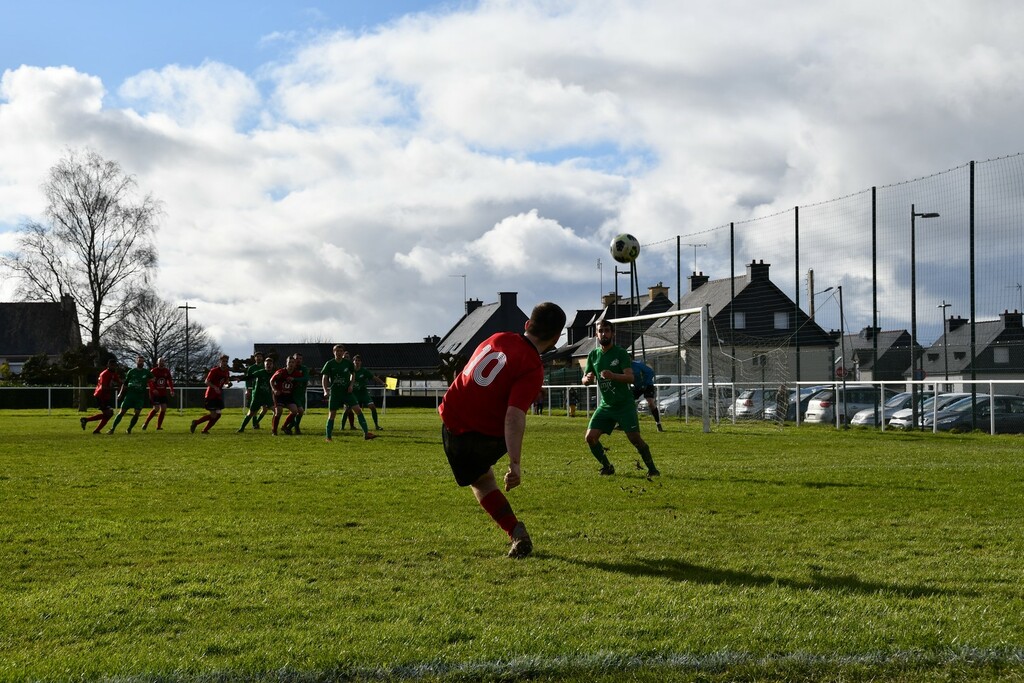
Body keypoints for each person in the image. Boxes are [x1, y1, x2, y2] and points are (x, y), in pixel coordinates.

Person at [439, 301, 566, 559]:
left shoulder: (498, 337)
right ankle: (516, 531)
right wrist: (515, 464)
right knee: (482, 480)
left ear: (527, 324)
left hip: (452, 417)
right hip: (479, 432)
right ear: (555, 339)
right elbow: (514, 416)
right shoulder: (532, 366)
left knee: (482, 480)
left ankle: (516, 531)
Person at [582, 319, 660, 477]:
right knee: (590, 438)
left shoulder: (621, 353)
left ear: (613, 334)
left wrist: (613, 376)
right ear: (596, 334)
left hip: (625, 405)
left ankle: (653, 470)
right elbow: (584, 379)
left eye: (607, 330)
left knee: (635, 439)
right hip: (606, 406)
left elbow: (630, 378)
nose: (604, 333)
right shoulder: (593, 355)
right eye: (600, 331)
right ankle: (607, 467)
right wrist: (587, 379)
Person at [322, 344, 376, 441]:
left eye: (340, 351)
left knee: (358, 410)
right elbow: (324, 377)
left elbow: (353, 374)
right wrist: (325, 390)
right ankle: (328, 437)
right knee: (332, 414)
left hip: (347, 392)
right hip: (335, 393)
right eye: (337, 351)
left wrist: (351, 385)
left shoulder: (348, 363)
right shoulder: (329, 363)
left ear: (343, 352)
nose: (339, 353)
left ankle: (366, 433)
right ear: (333, 352)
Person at [108, 355, 153, 434]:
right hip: (130, 395)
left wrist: (150, 384)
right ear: (136, 361)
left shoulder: (146, 372)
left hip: (139, 397)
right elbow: (125, 384)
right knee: (122, 412)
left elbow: (153, 379)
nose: (141, 363)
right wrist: (120, 394)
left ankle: (129, 429)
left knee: (137, 413)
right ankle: (112, 429)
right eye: (139, 361)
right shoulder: (131, 372)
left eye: (142, 361)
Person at [191, 355, 232, 434]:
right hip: (211, 395)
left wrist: (228, 385)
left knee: (218, 415)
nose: (225, 363)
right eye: (223, 361)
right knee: (213, 415)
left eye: (226, 361)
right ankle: (196, 423)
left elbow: (225, 383)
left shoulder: (227, 372)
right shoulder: (214, 371)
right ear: (220, 361)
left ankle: (204, 430)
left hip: (218, 396)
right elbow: (206, 382)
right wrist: (215, 387)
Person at [343, 354, 384, 431]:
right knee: (347, 409)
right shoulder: (349, 371)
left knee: (372, 407)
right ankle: (343, 427)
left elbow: (374, 377)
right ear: (353, 362)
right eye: (356, 360)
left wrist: (382, 383)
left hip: (363, 394)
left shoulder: (364, 371)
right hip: (354, 394)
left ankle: (376, 425)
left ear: (361, 362)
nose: (357, 362)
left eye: (359, 361)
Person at [80, 358, 121, 434]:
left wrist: (124, 386)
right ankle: (87, 421)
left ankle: (95, 429)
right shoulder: (104, 374)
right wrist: (114, 388)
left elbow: (119, 382)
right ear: (108, 365)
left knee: (109, 414)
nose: (113, 367)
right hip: (100, 396)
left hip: (106, 396)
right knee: (108, 414)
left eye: (115, 365)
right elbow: (103, 388)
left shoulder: (113, 373)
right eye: (112, 365)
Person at [237, 356, 275, 432]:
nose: (269, 365)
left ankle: (274, 428)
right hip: (258, 396)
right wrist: (240, 379)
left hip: (267, 397)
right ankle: (242, 428)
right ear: (264, 365)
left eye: (270, 364)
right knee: (251, 413)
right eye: (267, 364)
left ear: (272, 365)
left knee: (276, 411)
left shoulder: (274, 374)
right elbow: (250, 377)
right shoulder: (260, 372)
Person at [631, 359, 664, 432]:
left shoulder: (638, 364)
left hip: (648, 385)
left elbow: (650, 372)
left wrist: (645, 383)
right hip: (638, 386)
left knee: (651, 403)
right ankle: (628, 423)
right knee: (628, 402)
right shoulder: (623, 366)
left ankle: (658, 423)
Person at [270, 356, 301, 435]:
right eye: (289, 362)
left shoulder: (297, 374)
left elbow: (299, 382)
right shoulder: (281, 372)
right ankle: (274, 431)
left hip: (288, 396)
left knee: (295, 411)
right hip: (279, 395)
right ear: (286, 363)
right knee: (279, 412)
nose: (291, 364)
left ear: (295, 364)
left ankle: (284, 426)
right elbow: (271, 380)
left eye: (293, 362)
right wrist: (274, 389)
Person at [142, 357, 174, 430]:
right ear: (157, 362)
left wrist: (171, 390)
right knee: (156, 408)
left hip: (163, 393)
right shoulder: (153, 371)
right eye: (160, 361)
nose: (161, 362)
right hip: (154, 394)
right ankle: (145, 423)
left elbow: (169, 381)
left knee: (163, 409)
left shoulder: (166, 371)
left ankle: (158, 426)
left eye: (163, 361)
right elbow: (149, 381)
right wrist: (153, 389)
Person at [242, 352, 268, 428]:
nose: (259, 358)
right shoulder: (251, 368)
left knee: (265, 409)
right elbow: (248, 380)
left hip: (264, 390)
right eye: (257, 356)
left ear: (262, 358)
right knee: (254, 409)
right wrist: (248, 390)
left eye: (260, 356)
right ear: (255, 358)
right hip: (255, 390)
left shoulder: (265, 367)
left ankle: (256, 422)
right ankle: (254, 424)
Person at [290, 352, 311, 434]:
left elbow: (306, 378)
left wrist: (294, 379)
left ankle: (292, 426)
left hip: (301, 393)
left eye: (300, 359)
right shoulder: (291, 368)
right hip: (293, 394)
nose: (298, 360)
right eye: (297, 358)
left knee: (300, 412)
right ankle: (294, 427)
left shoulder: (304, 368)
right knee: (298, 411)